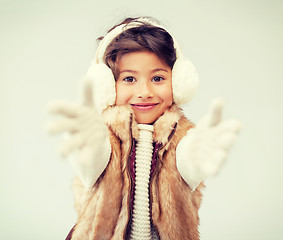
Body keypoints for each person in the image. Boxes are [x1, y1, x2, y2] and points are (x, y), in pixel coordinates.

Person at [48, 17, 241, 240]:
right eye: (129, 78)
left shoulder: (181, 137)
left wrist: (200, 149)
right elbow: (91, 162)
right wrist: (85, 141)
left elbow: (188, 161)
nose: (145, 91)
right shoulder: (104, 136)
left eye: (157, 78)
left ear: (178, 83)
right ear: (108, 86)